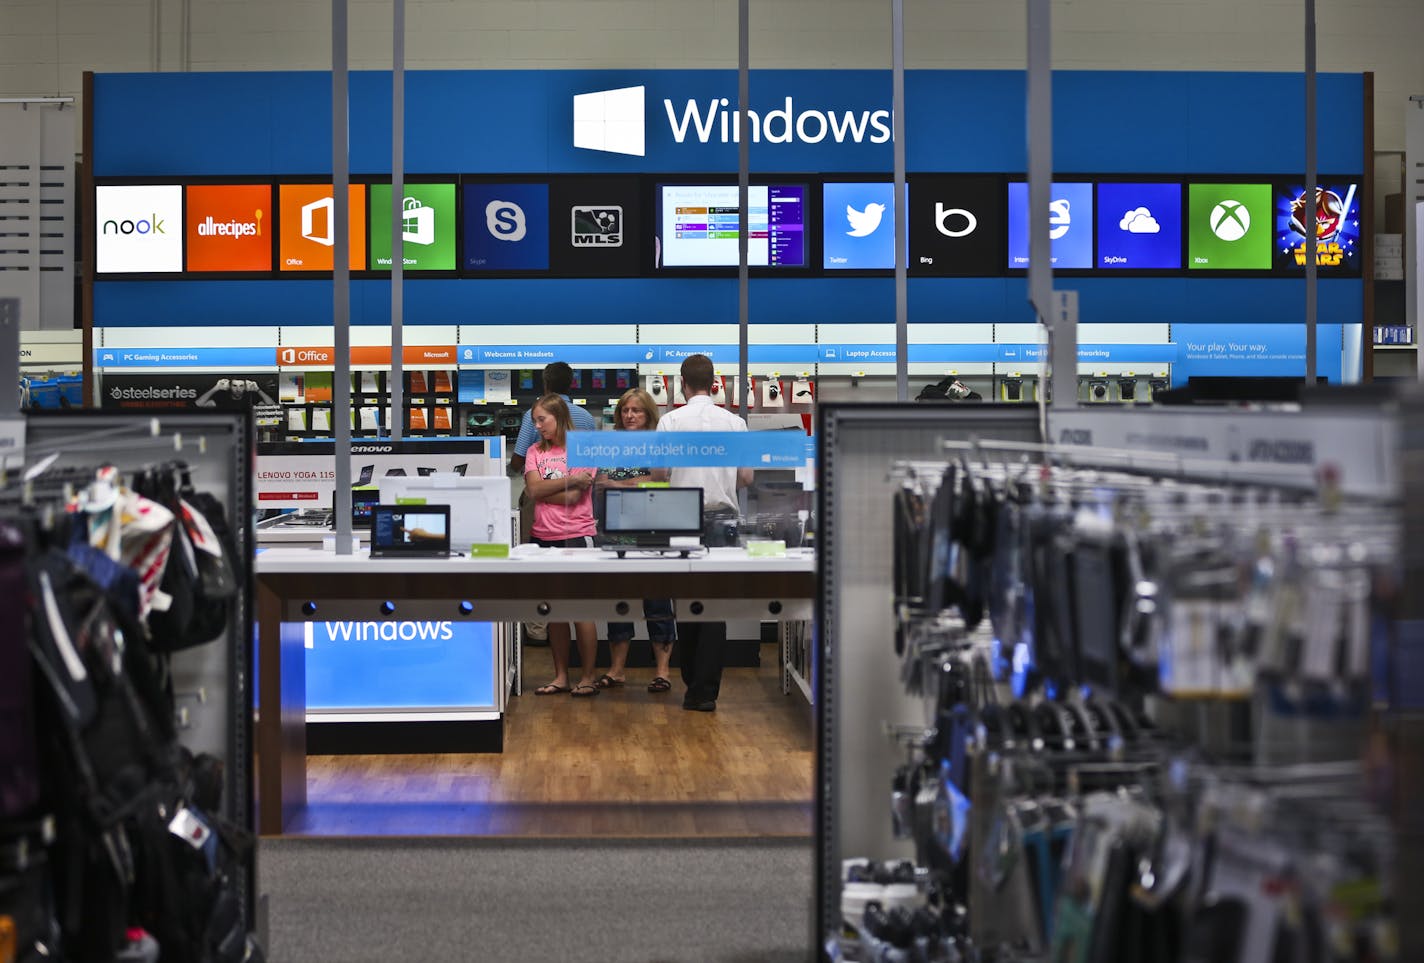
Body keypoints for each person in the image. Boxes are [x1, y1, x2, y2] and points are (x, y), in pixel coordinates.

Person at [654, 354, 753, 712]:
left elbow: (659, 474)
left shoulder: (670, 421)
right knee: (715, 606)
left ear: (682, 383)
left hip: (683, 519)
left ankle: (691, 681)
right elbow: (746, 478)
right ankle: (705, 690)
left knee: (685, 602)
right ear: (715, 383)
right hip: (724, 521)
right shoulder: (735, 423)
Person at [593, 388, 677, 693]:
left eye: (636, 411)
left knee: (657, 602)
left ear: (648, 414)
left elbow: (659, 482)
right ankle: (617, 670)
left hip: (650, 531)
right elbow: (601, 484)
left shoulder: (656, 442)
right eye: (625, 410)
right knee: (619, 602)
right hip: (614, 533)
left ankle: (663, 671)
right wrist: (625, 484)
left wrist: (620, 484)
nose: (630, 415)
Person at [509, 362, 597, 642]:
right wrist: (570, 482)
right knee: (577, 602)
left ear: (545, 384)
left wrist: (540, 487)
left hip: (555, 521)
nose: (538, 424)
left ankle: (535, 634)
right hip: (569, 516)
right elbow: (576, 485)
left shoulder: (531, 415)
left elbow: (520, 463)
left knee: (549, 596)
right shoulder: (585, 417)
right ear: (572, 383)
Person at [524, 394, 602, 698]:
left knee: (582, 609)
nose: (537, 425)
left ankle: (588, 677)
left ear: (559, 417)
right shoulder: (533, 451)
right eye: (535, 420)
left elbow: (572, 498)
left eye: (542, 419)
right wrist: (566, 482)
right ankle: (560, 677)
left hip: (577, 536)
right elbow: (532, 489)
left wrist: (545, 490)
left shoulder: (583, 449)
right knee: (553, 610)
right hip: (542, 535)